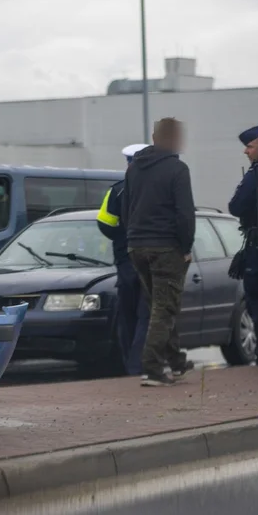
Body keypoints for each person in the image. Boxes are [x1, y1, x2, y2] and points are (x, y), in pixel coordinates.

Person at [121, 118, 196, 387]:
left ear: (154, 137)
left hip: (136, 246)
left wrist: (133, 238)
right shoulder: (178, 169)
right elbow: (185, 213)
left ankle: (176, 363)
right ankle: (152, 369)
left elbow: (126, 208)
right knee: (164, 308)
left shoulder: (134, 169)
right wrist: (186, 248)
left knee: (160, 305)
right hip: (166, 247)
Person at [97, 143, 150, 376]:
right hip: (152, 258)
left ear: (128, 164)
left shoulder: (116, 191)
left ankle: (132, 364)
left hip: (126, 259)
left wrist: (122, 237)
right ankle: (142, 362)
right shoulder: (157, 189)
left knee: (127, 314)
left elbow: (105, 224)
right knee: (147, 313)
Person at [227, 124, 258, 366]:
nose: (245, 152)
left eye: (249, 146)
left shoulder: (257, 174)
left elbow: (236, 206)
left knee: (257, 299)